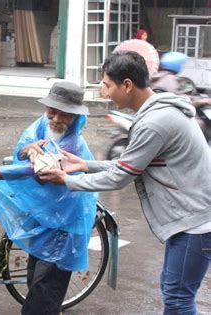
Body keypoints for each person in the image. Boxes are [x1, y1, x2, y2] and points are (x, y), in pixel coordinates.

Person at [38, 51, 211, 314]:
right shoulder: (159, 112)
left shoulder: (155, 122)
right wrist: (83, 165)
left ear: (127, 85)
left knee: (177, 298)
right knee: (173, 290)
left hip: (196, 221)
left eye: (107, 85)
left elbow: (120, 176)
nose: (104, 92)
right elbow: (132, 165)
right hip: (191, 218)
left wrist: (67, 180)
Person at [0, 81, 97, 315]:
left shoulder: (72, 145)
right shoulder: (43, 124)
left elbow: (33, 172)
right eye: (52, 112)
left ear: (76, 116)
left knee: (43, 292)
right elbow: (22, 148)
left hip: (64, 223)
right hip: (44, 216)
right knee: (35, 279)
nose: (56, 119)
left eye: (65, 115)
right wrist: (29, 148)